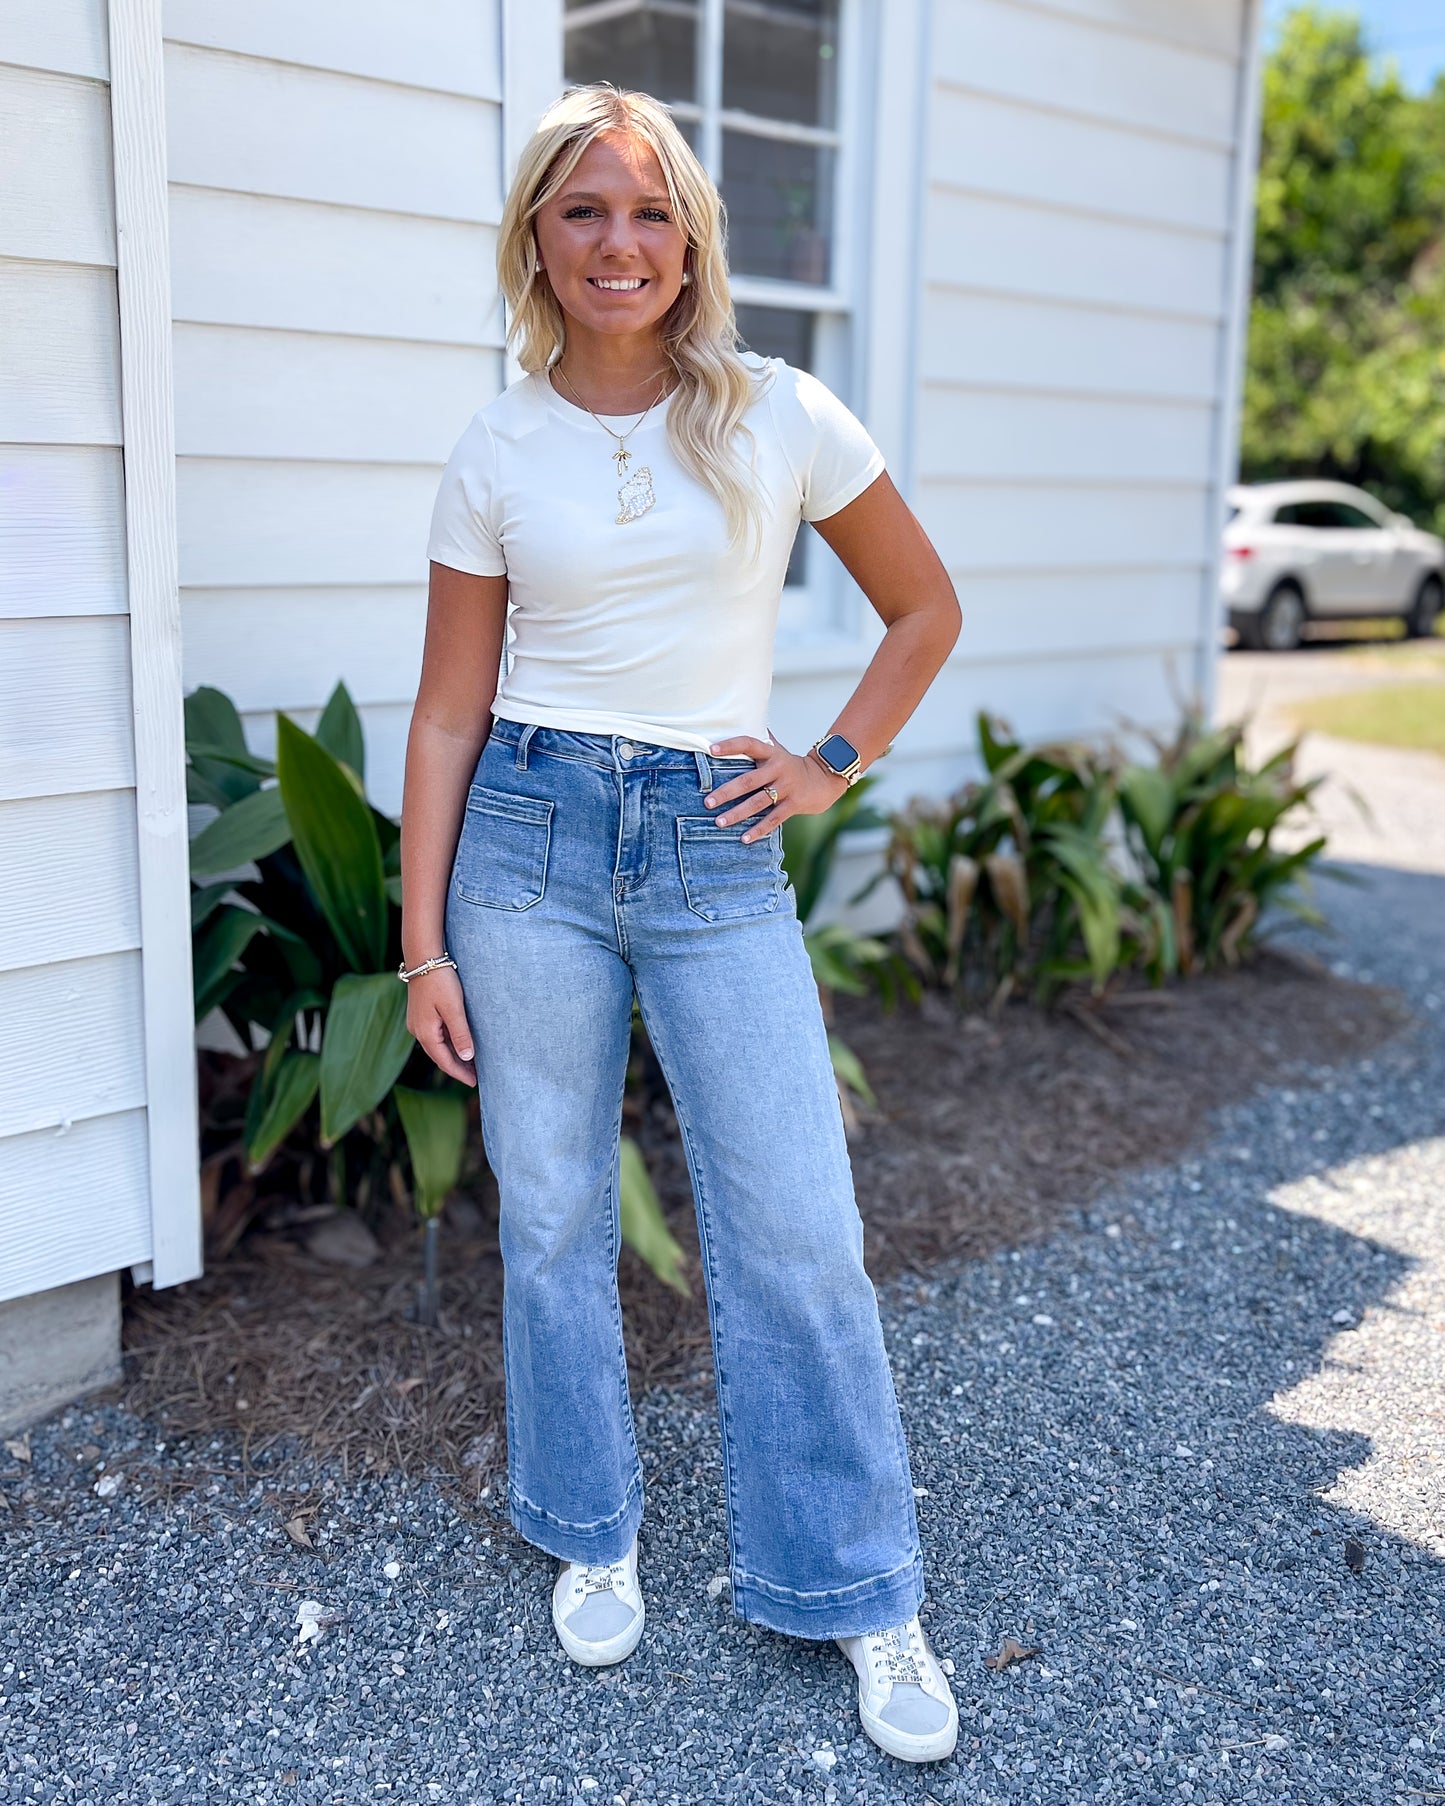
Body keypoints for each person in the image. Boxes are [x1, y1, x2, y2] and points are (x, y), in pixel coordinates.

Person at [399, 82, 962, 1764]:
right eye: (583, 212)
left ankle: (855, 1582)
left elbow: (923, 604)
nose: (617, 242)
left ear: (691, 234)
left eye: (647, 211)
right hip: (528, 841)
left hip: (715, 850)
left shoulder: (780, 412)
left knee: (796, 1225)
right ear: (538, 244)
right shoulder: (495, 444)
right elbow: (443, 714)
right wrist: (422, 939)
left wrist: (832, 762)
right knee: (554, 1209)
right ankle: (589, 1523)